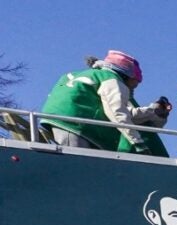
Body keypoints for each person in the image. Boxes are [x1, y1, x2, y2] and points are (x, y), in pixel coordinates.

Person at [40, 50, 169, 156]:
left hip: (57, 117)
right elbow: (117, 113)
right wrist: (137, 142)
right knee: (78, 167)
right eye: (136, 81)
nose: (135, 87)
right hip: (74, 123)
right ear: (127, 75)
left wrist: (152, 111)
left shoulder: (81, 75)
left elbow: (122, 113)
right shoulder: (112, 79)